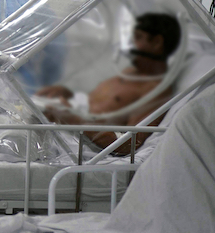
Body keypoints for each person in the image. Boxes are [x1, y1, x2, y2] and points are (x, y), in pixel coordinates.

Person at [37, 13, 182, 153]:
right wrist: (67, 95)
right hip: (69, 124)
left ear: (157, 42)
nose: (129, 44)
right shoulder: (130, 72)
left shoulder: (155, 90)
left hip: (81, 141)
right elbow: (97, 103)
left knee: (20, 137)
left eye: (137, 38)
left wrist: (73, 119)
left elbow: (128, 145)